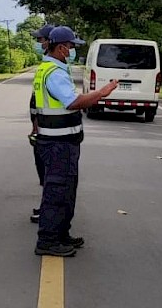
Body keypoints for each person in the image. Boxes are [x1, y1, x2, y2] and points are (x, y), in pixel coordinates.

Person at [33, 25, 118, 257]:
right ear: (61, 48)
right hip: (58, 144)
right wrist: (102, 93)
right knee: (57, 192)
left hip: (58, 141)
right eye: (71, 47)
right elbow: (73, 102)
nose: (73, 51)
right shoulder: (55, 73)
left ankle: (60, 234)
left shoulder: (48, 69)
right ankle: (48, 241)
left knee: (66, 191)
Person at [29, 24, 55, 223]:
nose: (39, 43)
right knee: (46, 174)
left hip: (50, 130)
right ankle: (46, 207)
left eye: (42, 39)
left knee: (50, 174)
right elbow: (37, 101)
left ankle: (48, 210)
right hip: (43, 127)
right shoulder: (46, 66)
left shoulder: (53, 68)